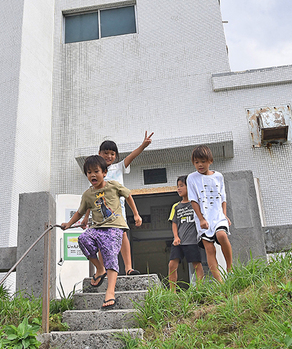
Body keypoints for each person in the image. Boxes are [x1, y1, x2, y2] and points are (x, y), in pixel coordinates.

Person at [61, 154, 142, 310]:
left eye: (96, 171)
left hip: (115, 227)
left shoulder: (113, 185)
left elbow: (129, 195)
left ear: (104, 172)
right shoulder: (87, 194)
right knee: (83, 239)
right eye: (89, 172)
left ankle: (110, 292)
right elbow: (79, 212)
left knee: (110, 253)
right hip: (97, 228)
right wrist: (69, 224)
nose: (93, 175)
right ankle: (100, 268)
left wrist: (136, 214)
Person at [78, 131, 153, 275]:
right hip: (99, 211)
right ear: (99, 153)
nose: (109, 156)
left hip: (117, 210)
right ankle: (103, 270)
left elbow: (132, 155)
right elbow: (90, 197)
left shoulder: (118, 167)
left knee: (123, 235)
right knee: (100, 239)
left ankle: (128, 267)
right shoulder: (95, 170)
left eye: (112, 154)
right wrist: (86, 217)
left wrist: (143, 145)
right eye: (106, 153)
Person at [186, 145, 233, 282]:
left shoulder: (218, 176)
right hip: (203, 218)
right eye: (196, 162)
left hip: (218, 215)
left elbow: (223, 197)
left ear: (210, 161)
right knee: (209, 248)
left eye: (203, 161)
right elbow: (193, 199)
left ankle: (230, 268)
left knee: (222, 235)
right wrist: (201, 219)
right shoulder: (191, 178)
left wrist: (224, 214)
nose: (200, 165)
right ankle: (220, 281)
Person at [168, 176, 205, 290]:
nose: (178, 189)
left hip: (193, 240)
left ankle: (200, 289)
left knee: (196, 264)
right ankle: (172, 291)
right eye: (177, 186)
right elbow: (174, 222)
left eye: (181, 186)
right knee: (172, 265)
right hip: (179, 241)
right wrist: (176, 237)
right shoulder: (176, 206)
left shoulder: (196, 204)